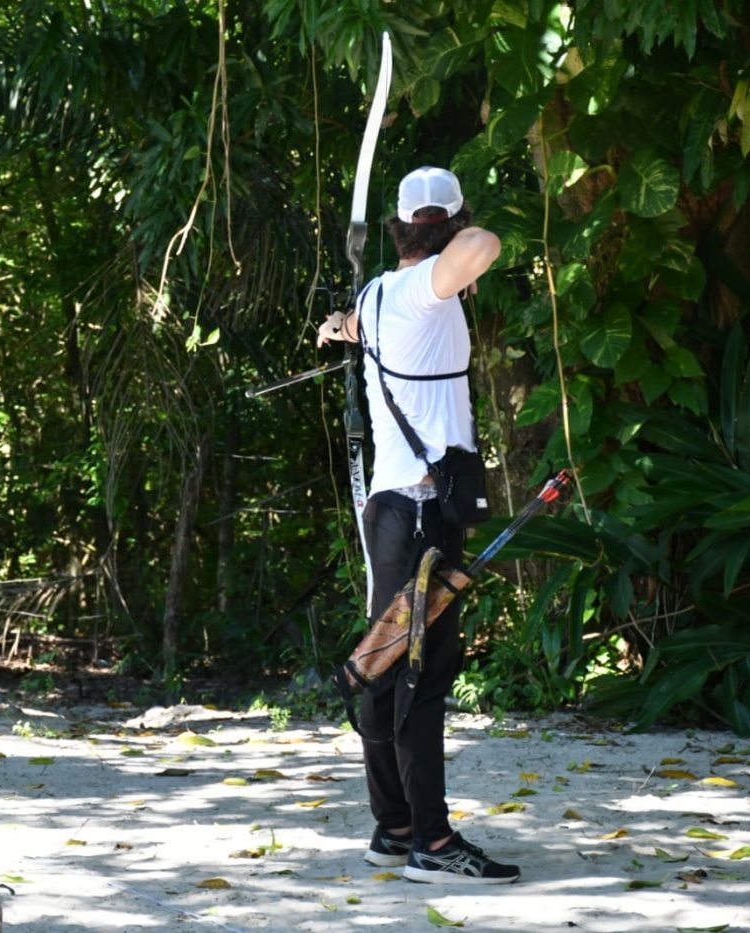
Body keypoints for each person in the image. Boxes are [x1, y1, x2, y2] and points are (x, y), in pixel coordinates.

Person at [319, 166, 519, 885]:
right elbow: (485, 246)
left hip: (394, 511)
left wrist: (336, 328)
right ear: (445, 227)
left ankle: (394, 824)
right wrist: (462, 235)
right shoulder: (427, 287)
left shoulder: (378, 294)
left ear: (401, 224)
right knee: (421, 674)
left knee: (383, 663)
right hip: (423, 510)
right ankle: (431, 844)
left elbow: (352, 325)